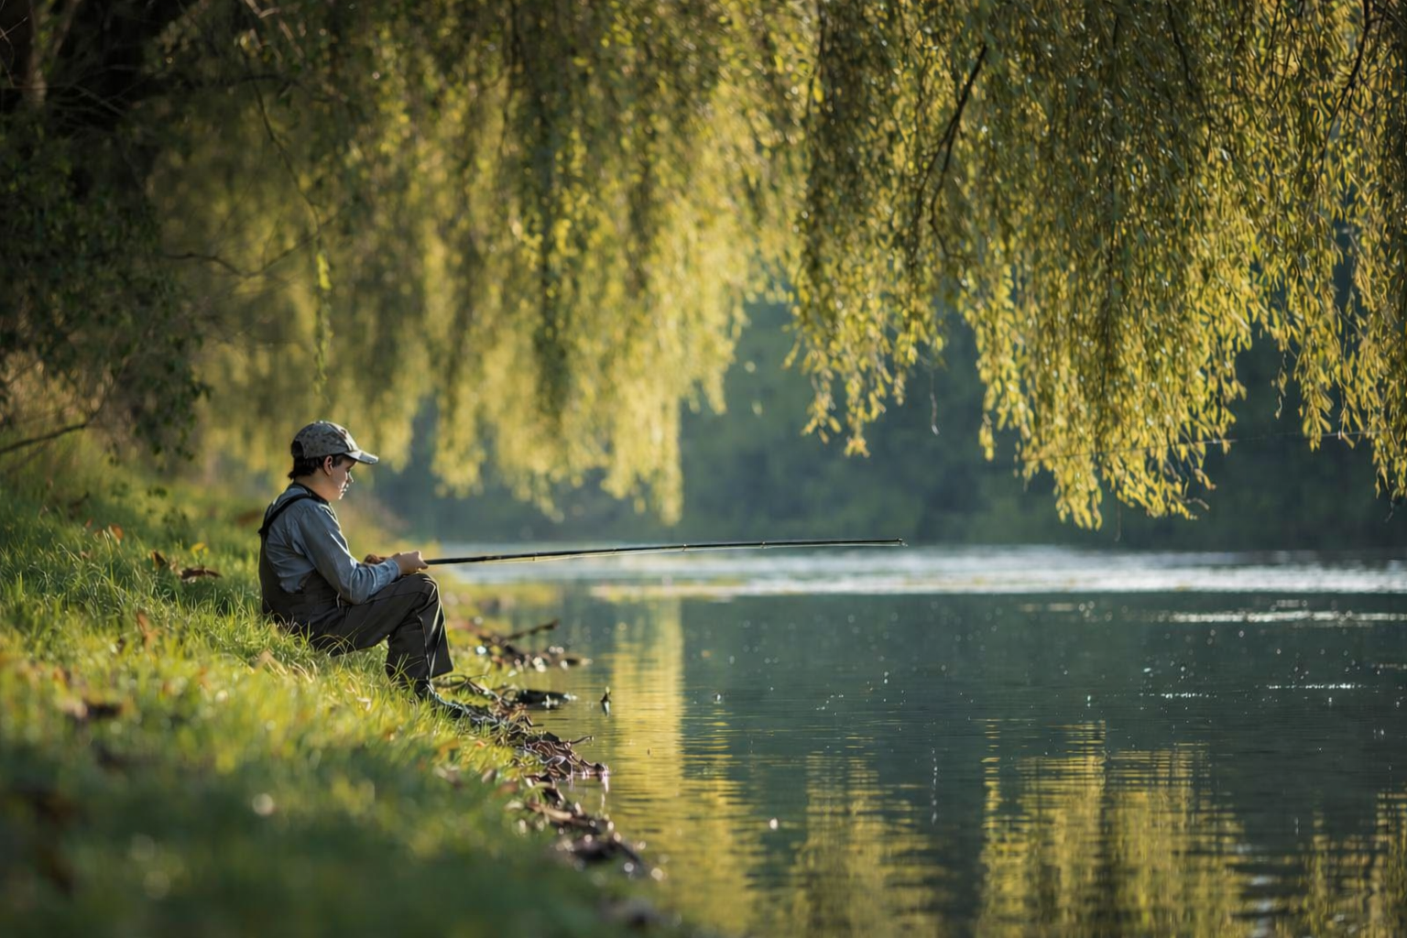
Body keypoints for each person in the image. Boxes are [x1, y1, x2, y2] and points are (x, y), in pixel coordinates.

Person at [257, 420, 489, 723]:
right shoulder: (309, 512)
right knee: (421, 590)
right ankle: (417, 695)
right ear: (328, 464)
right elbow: (354, 588)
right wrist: (397, 566)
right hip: (314, 630)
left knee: (409, 585)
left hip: (295, 623)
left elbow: (332, 575)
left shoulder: (288, 503)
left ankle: (417, 689)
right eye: (348, 470)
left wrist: (378, 567)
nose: (349, 480)